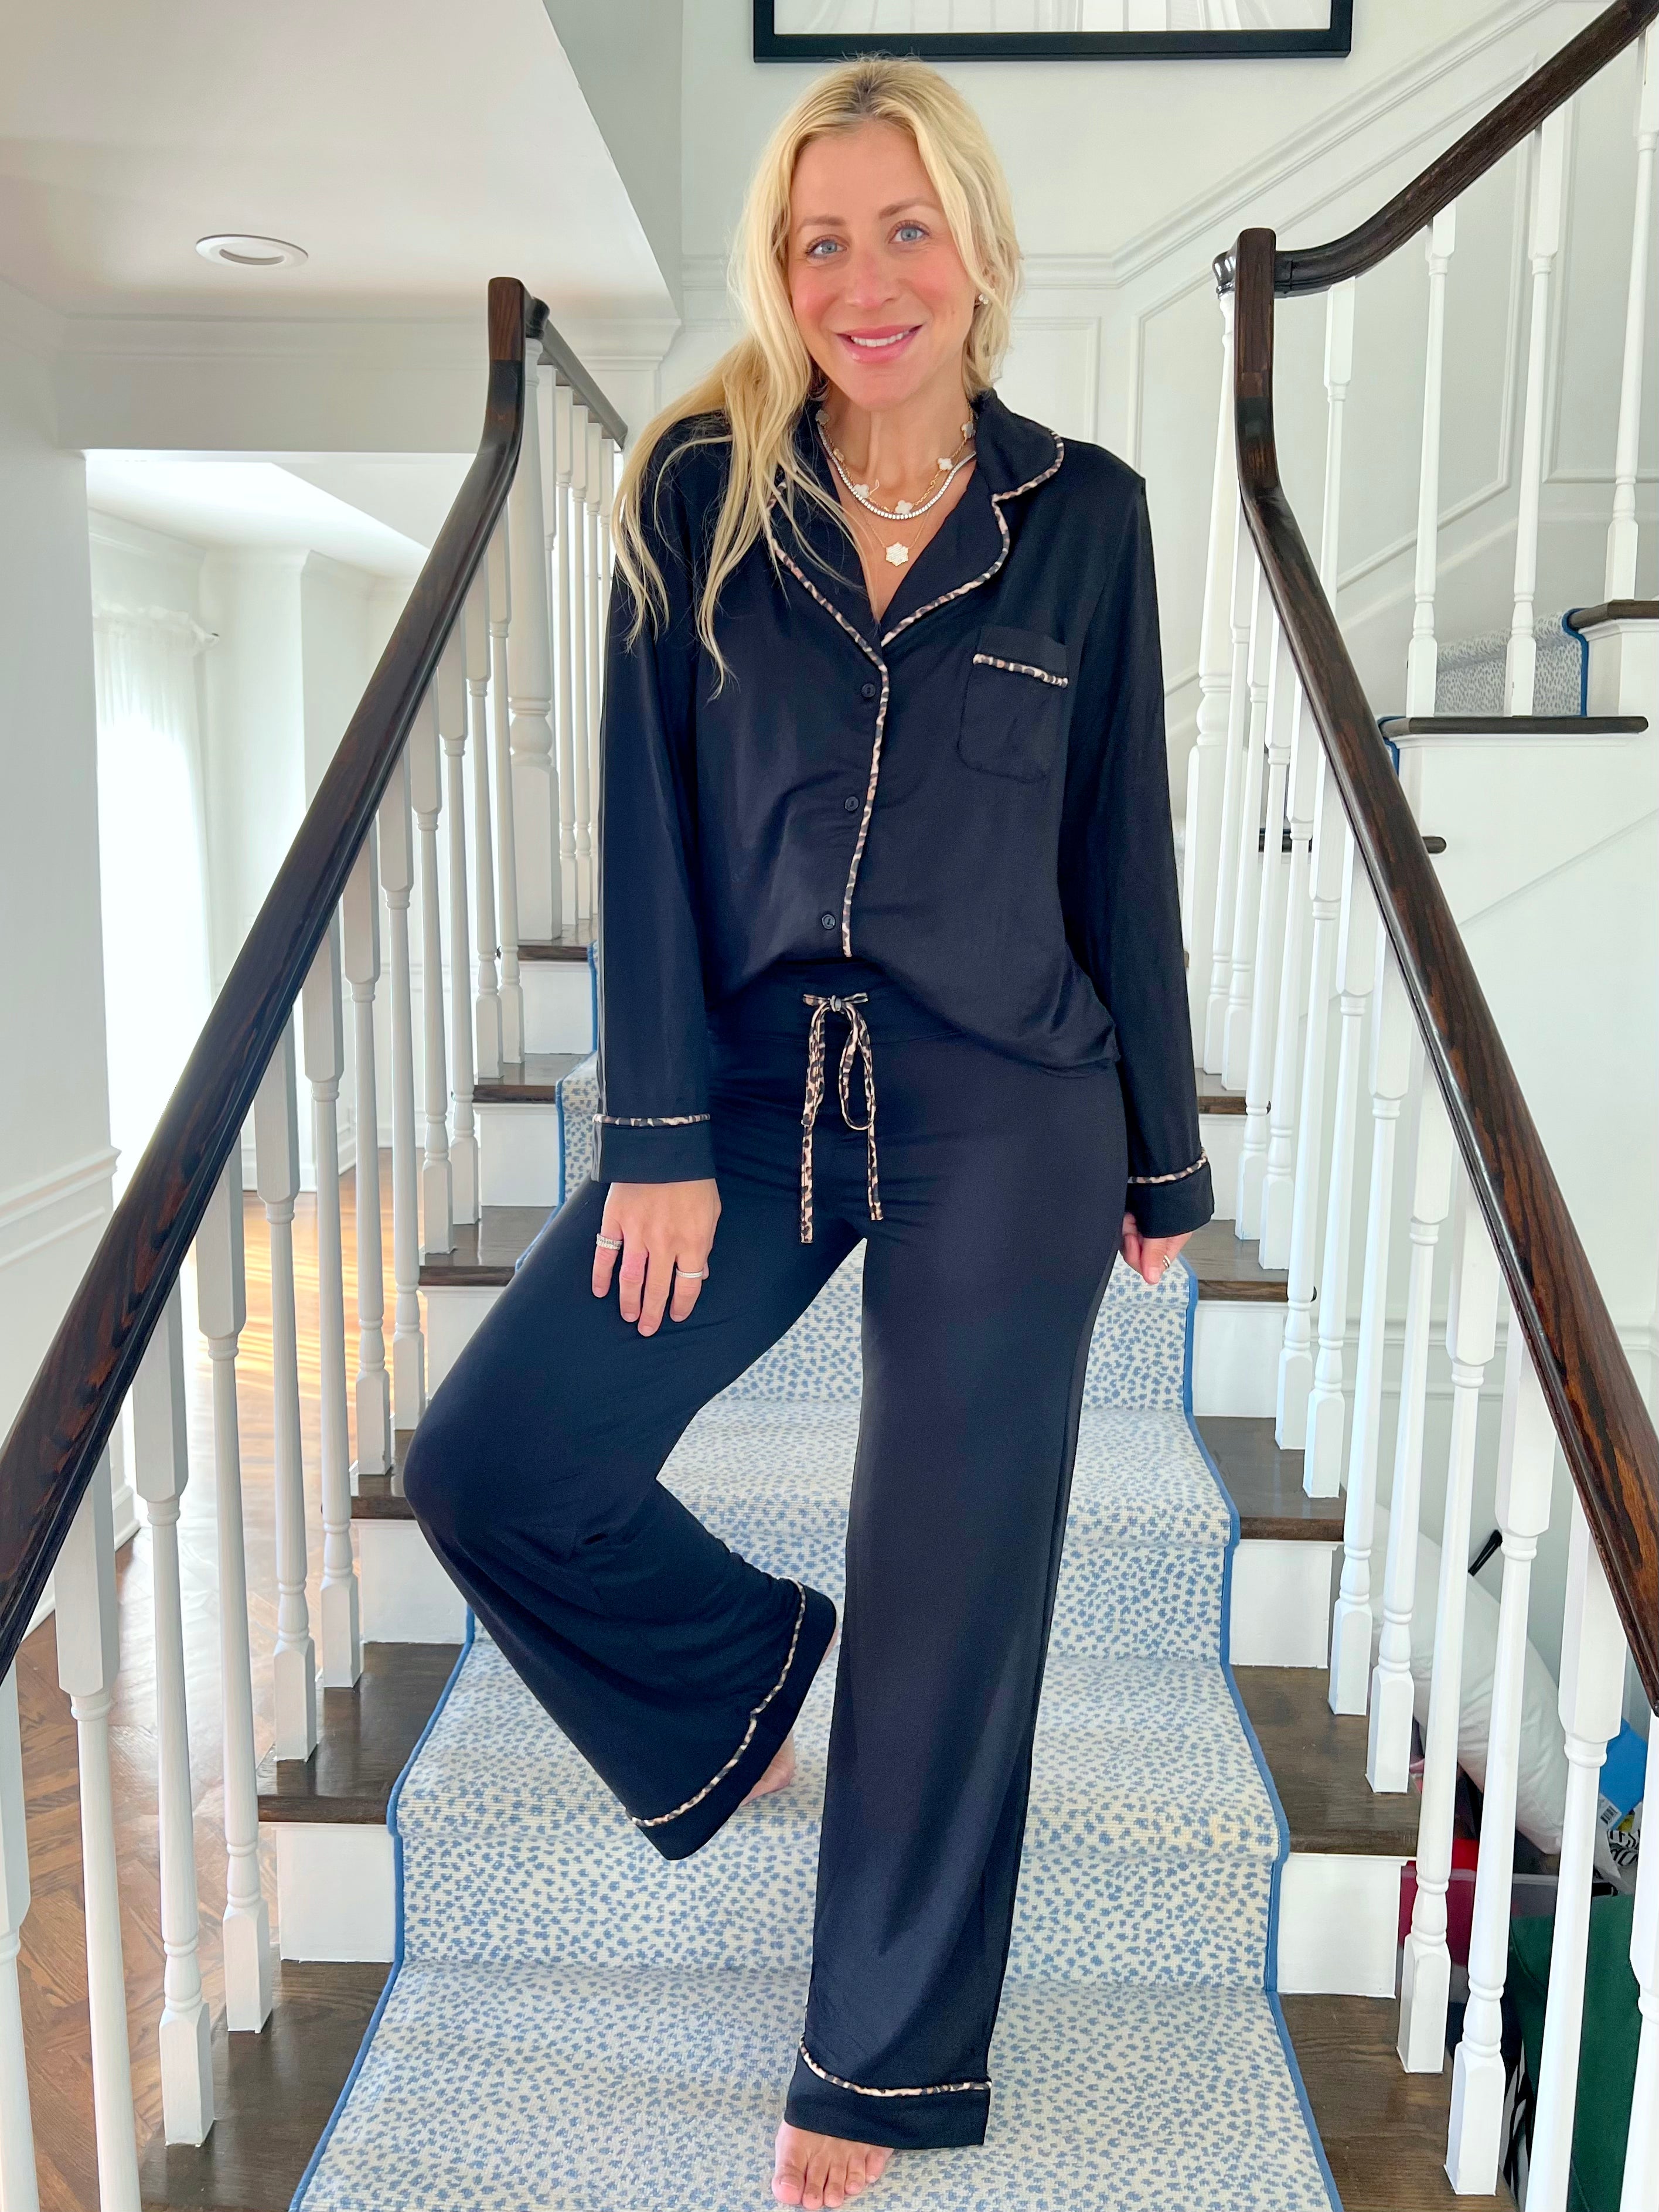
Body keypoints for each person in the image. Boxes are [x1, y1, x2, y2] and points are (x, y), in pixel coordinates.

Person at [403, 54, 1212, 2212]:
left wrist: (1161, 1158)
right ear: (779, 267)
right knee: (495, 1462)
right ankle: (739, 1693)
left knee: (953, 1583)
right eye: (818, 238)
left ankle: (880, 2060)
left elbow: (1121, 845)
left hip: (1009, 1101)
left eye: (903, 229)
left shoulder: (1088, 518)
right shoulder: (699, 492)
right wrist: (656, 1132)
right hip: (753, 1087)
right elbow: (646, 831)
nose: (865, 280)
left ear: (978, 252)